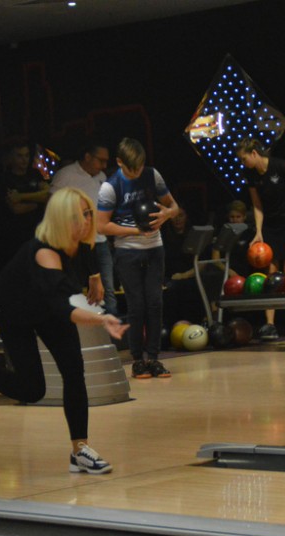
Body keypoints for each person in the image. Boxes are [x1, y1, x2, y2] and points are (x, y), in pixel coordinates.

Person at [0, 187, 127, 474]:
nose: (87, 220)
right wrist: (101, 319)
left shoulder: (79, 240)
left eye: (88, 213)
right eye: (80, 215)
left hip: (47, 307)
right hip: (14, 311)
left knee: (74, 370)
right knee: (32, 389)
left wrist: (94, 275)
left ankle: (80, 450)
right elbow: (63, 307)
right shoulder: (45, 252)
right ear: (62, 219)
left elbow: (88, 251)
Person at [97, 138, 179, 379]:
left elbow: (174, 207)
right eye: (132, 168)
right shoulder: (110, 187)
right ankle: (137, 360)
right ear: (119, 162)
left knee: (155, 303)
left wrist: (166, 215)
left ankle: (153, 358)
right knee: (136, 307)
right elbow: (102, 226)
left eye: (140, 167)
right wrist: (136, 231)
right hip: (127, 251)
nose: (137, 172)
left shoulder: (153, 175)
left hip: (155, 248)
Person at [236, 138, 285, 340]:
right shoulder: (250, 174)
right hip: (271, 224)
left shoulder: (280, 165)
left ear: (254, 153)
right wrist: (258, 231)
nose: (243, 163)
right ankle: (270, 324)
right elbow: (257, 205)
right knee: (270, 272)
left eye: (244, 159)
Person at [49, 142, 116, 316]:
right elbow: (53, 206)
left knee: (108, 289)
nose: (104, 165)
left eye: (106, 161)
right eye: (101, 160)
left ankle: (111, 325)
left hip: (100, 241)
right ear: (87, 157)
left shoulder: (101, 176)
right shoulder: (65, 175)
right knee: (76, 287)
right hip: (76, 243)